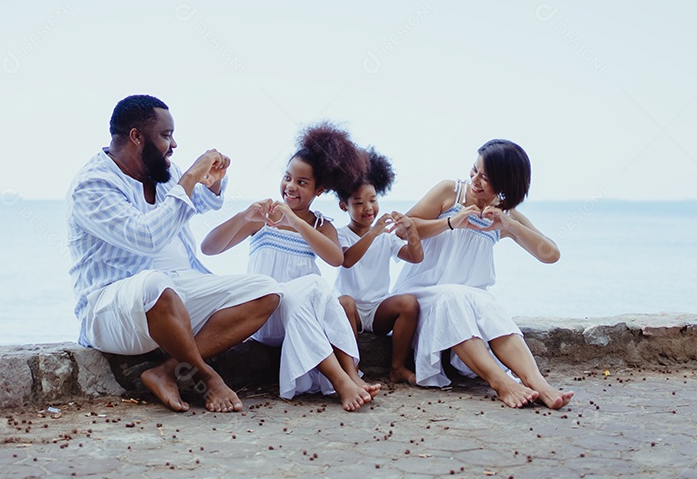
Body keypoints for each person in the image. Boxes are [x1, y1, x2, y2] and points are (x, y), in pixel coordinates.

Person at [65, 95, 281, 413]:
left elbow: (200, 203)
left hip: (175, 294)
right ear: (137, 136)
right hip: (111, 309)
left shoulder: (160, 172)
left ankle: (166, 371)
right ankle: (207, 377)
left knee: (266, 291)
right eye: (166, 135)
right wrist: (190, 177)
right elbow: (147, 237)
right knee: (154, 283)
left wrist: (211, 182)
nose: (174, 143)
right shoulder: (93, 185)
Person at [201, 123, 382, 411]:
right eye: (287, 178)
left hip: (304, 314)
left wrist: (296, 222)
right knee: (309, 287)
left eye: (302, 182)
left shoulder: (321, 225)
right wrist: (243, 216)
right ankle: (342, 381)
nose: (291, 187)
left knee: (324, 295)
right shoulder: (263, 217)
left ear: (318, 189)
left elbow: (336, 258)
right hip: (267, 315)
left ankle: (351, 375)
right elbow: (209, 248)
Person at [393, 139, 574, 410]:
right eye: (474, 170)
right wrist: (451, 222)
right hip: (422, 294)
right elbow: (402, 229)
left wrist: (510, 225)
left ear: (505, 183)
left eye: (485, 178)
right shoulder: (450, 192)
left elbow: (550, 254)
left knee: (487, 304)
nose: (475, 180)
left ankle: (538, 383)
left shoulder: (504, 214)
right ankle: (502, 383)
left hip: (470, 299)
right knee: (453, 296)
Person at [334, 147, 422, 384]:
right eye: (359, 203)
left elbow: (416, 257)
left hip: (378, 309)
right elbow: (348, 259)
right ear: (344, 206)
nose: (368, 208)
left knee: (409, 303)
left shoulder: (386, 236)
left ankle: (397, 367)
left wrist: (411, 229)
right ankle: (352, 370)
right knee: (345, 302)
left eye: (373, 200)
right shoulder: (340, 234)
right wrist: (373, 232)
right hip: (350, 311)